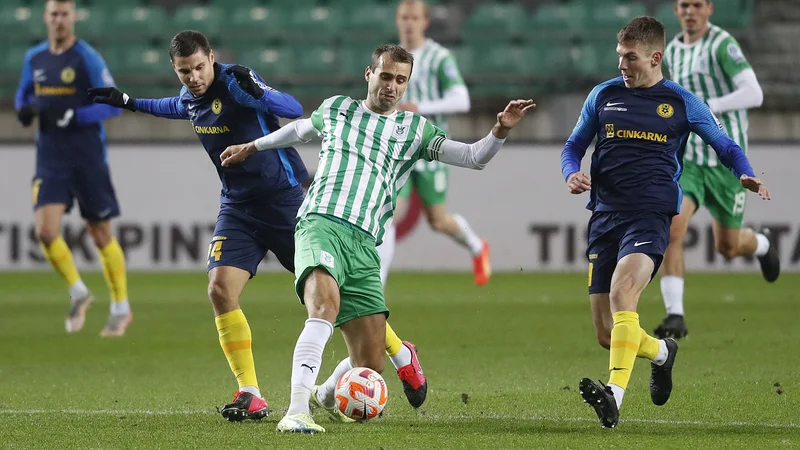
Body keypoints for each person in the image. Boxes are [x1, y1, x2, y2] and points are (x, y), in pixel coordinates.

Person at [219, 44, 534, 434]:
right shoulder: (337, 108)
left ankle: (324, 394)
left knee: (370, 363)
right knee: (323, 308)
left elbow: (473, 157)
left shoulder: (415, 130)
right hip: (320, 222)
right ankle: (297, 410)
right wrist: (253, 145)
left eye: (401, 80)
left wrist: (499, 130)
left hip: (366, 241)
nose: (392, 86)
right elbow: (300, 129)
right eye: (386, 76)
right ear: (370, 75)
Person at [561, 16, 770, 429]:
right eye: (620, 56)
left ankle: (614, 397)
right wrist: (570, 172)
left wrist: (743, 171)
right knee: (607, 334)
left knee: (624, 291)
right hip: (604, 218)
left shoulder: (680, 101)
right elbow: (573, 145)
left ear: (655, 57)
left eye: (630, 57)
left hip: (651, 217)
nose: (622, 64)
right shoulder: (603, 95)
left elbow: (724, 143)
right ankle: (661, 352)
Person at [88, 30, 308, 422]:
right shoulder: (191, 96)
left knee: (325, 294)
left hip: (283, 199)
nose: (193, 78)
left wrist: (259, 93)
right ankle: (250, 392)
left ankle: (397, 351)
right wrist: (128, 102)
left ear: (212, 57)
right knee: (219, 288)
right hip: (238, 208)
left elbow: (293, 107)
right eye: (184, 71)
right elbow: (172, 105)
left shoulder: (236, 84)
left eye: (199, 68)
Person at [656, 0, 779, 339]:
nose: (690, 11)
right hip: (691, 159)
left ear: (709, 8)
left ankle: (761, 245)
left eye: (697, 4)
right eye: (684, 5)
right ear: (677, 10)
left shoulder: (723, 44)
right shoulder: (673, 51)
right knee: (671, 229)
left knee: (727, 247)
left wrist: (711, 107)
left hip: (725, 160)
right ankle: (675, 316)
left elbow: (754, 93)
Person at [15, 0, 131, 337]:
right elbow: (23, 96)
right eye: (54, 14)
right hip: (50, 156)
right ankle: (79, 292)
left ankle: (121, 306)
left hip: (87, 155)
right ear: (46, 18)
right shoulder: (34, 58)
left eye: (65, 14)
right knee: (45, 231)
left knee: (99, 232)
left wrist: (76, 116)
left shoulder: (87, 57)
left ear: (74, 17)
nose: (59, 20)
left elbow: (114, 106)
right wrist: (26, 109)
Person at [377, 0, 490, 288]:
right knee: (388, 214)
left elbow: (461, 99)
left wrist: (420, 107)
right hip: (398, 149)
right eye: (405, 17)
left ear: (425, 22)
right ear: (397, 20)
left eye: (415, 17)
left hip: (429, 148)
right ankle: (377, 286)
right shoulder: (389, 57)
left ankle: (477, 247)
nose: (409, 22)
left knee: (438, 221)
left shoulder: (439, 57)